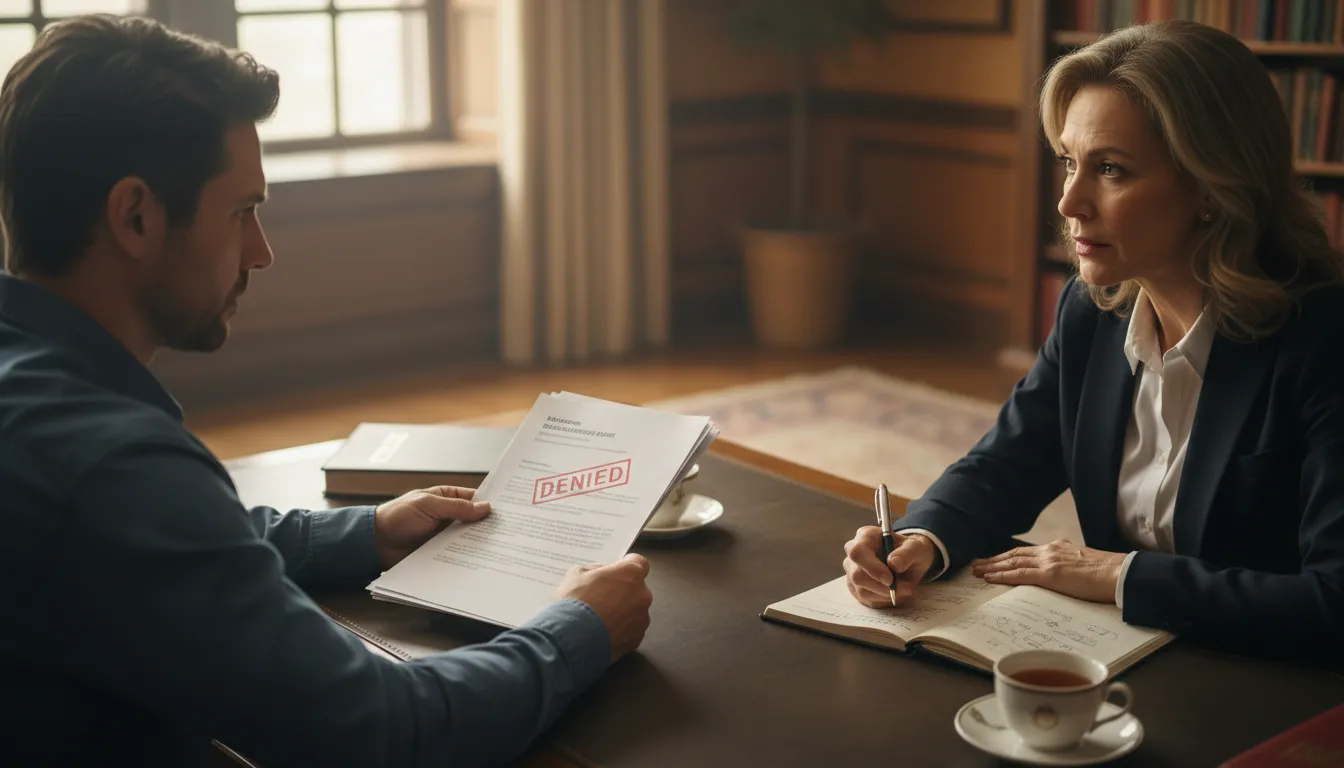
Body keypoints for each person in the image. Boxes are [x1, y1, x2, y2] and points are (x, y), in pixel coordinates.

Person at [0, 14, 653, 767]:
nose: (263, 252)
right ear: (137, 215)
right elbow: (385, 733)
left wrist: (364, 534)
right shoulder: (112, 471)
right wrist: (576, 629)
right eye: (243, 212)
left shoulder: (55, 421)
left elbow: (155, 548)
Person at [842, 19, 1344, 663]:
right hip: (1121, 660)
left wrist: (1117, 574)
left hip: (1263, 684)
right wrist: (921, 538)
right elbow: (1009, 462)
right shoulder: (1093, 310)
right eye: (1070, 163)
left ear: (1213, 187)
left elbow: (1333, 602)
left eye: (1111, 169)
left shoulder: (1323, 343)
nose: (1071, 201)